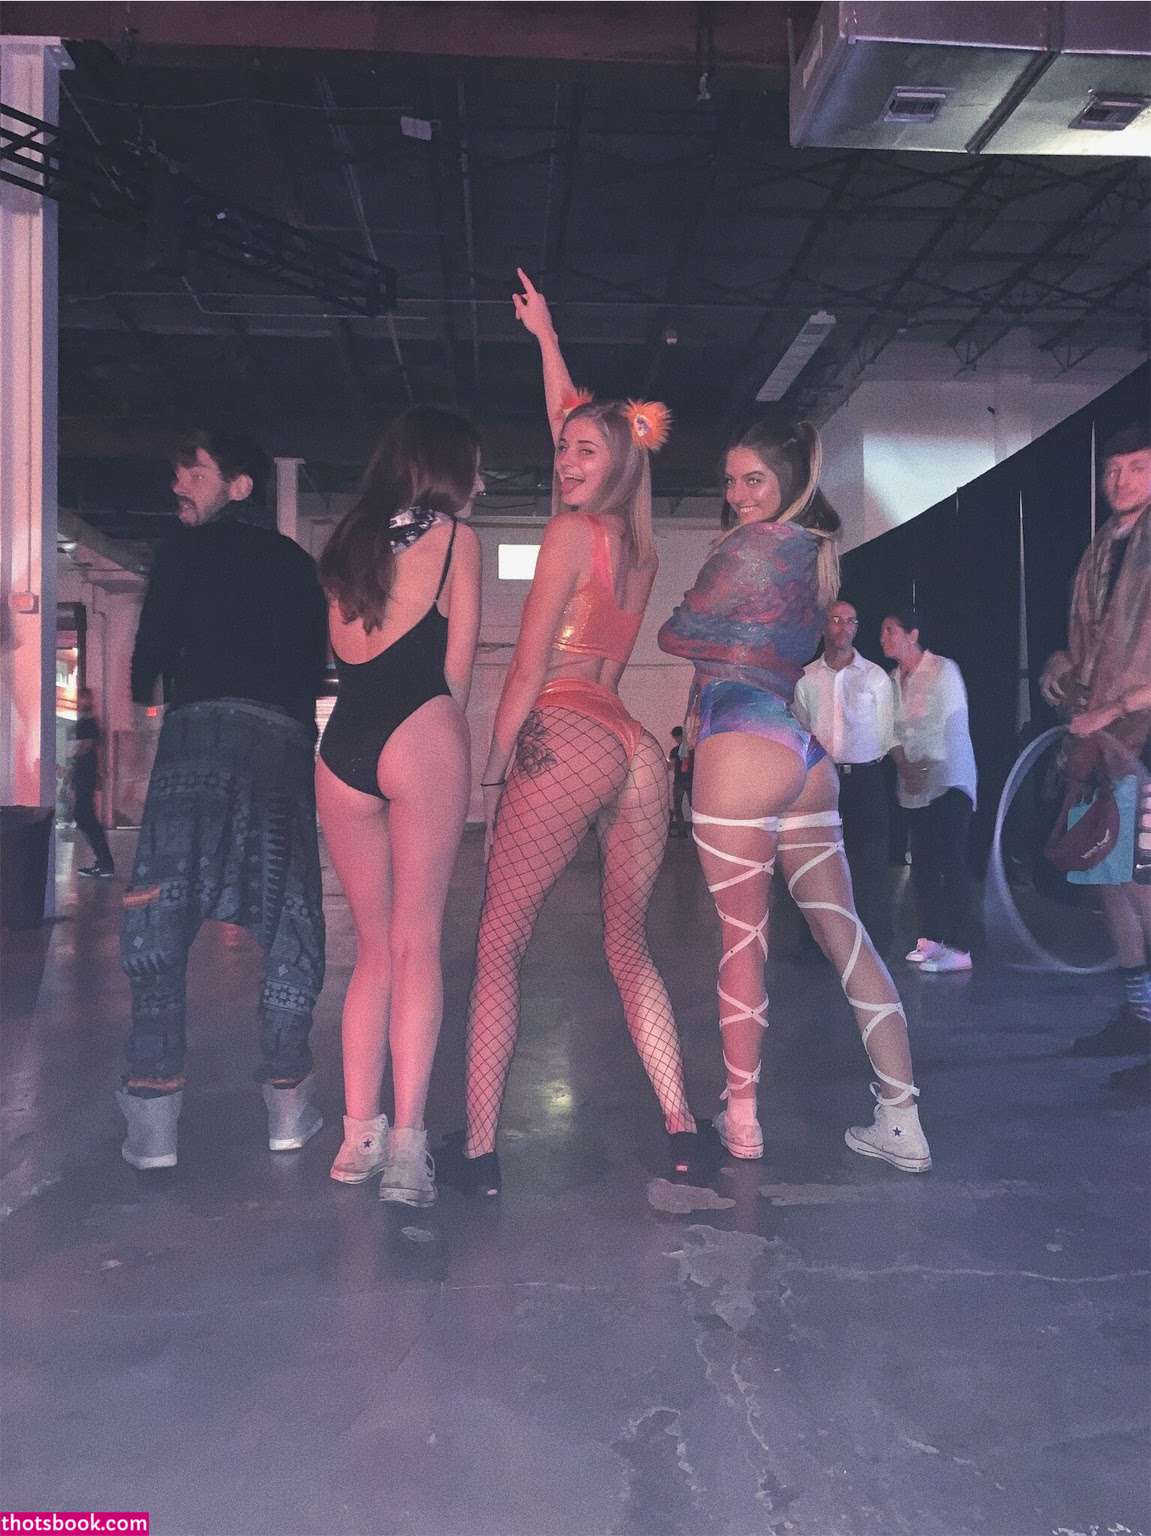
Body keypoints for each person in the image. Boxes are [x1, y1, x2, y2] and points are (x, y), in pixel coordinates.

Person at [462, 268, 698, 1195]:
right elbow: (582, 419)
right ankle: (682, 1124)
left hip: (564, 729)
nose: (564, 461)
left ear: (614, 465)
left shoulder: (569, 535)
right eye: (561, 450)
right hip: (632, 747)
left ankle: (479, 1152)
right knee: (627, 946)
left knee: (498, 946)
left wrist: (490, 776)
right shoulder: (639, 549)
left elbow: (526, 670)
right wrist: (547, 338)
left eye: (582, 454)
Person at [658, 411, 930, 1172]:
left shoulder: (750, 547)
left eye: (754, 480)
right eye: (730, 481)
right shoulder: (815, 555)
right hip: (802, 754)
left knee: (742, 940)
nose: (738, 494)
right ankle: (901, 1119)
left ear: (788, 482)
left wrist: (707, 626)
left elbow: (675, 632)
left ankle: (743, 1119)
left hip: (739, 743)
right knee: (847, 937)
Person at [118, 429, 328, 1170]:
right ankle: (287, 1104)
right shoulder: (297, 564)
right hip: (279, 744)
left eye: (196, 472)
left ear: (240, 486)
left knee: (160, 914)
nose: (179, 482)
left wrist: (149, 712)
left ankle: (153, 1121)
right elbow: (314, 663)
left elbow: (149, 656)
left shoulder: (182, 552)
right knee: (289, 915)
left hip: (198, 740)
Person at [317, 407, 483, 1205]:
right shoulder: (455, 540)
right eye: (473, 467)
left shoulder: (349, 541)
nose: (480, 483)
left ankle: (358, 1138)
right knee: (418, 944)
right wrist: (448, 749)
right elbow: (457, 668)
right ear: (445, 468)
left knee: (372, 952)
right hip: (419, 731)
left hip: (342, 748)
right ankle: (408, 1151)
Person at [1041, 424, 1151, 1093]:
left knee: (1142, 884)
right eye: (1113, 469)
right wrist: (1062, 672)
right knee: (1109, 880)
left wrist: (1114, 709)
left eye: (1136, 467)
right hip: (1098, 745)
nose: (1121, 481)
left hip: (1140, 739)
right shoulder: (1098, 551)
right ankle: (1137, 1016)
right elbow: (1084, 649)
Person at [793, 600, 895, 952]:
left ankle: (872, 944)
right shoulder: (806, 677)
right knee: (817, 860)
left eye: (850, 621)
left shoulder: (874, 676)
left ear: (857, 628)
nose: (843, 627)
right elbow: (801, 729)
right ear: (824, 625)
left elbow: (887, 731)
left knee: (869, 862)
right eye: (836, 620)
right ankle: (817, 944)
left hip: (865, 778)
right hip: (821, 778)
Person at [880, 611, 978, 975]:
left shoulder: (942, 669)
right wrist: (905, 766)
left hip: (948, 780)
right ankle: (931, 937)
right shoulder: (892, 680)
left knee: (950, 861)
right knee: (921, 863)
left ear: (912, 634)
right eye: (882, 632)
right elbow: (889, 729)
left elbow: (948, 722)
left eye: (890, 630)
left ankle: (961, 946)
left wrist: (923, 767)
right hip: (913, 784)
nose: (884, 638)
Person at [70, 687, 116, 879]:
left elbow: (87, 746)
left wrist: (72, 754)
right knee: (85, 816)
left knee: (84, 816)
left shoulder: (87, 723)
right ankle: (104, 861)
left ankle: (104, 862)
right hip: (86, 774)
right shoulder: (90, 722)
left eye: (83, 698)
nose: (81, 702)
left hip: (85, 774)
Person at [667, 725, 694, 837]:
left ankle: (682, 832)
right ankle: (697, 832)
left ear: (677, 737)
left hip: (679, 781)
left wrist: (665, 763)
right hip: (691, 781)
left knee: (678, 807)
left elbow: (671, 767)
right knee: (694, 808)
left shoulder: (675, 751)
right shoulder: (693, 750)